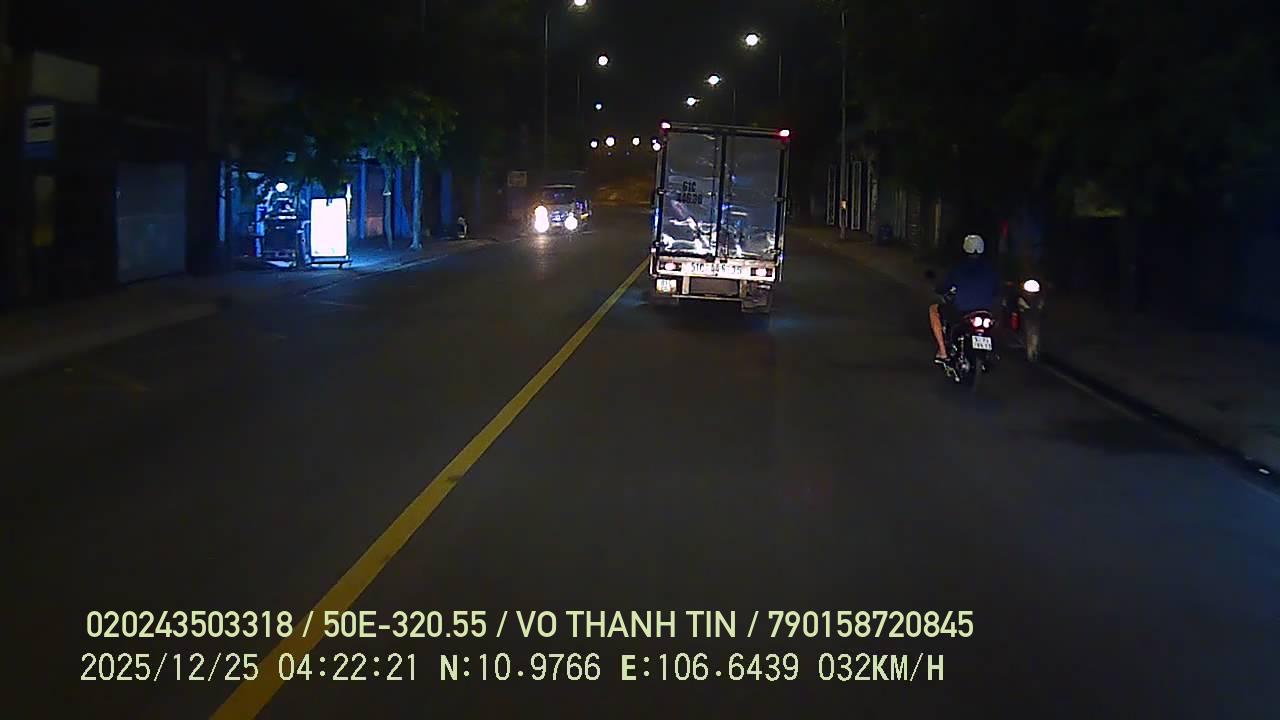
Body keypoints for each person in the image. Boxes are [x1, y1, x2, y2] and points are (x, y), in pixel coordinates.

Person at [930, 234, 1000, 361]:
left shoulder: (958, 268)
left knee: (934, 309)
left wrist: (938, 288)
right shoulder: (991, 269)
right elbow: (997, 290)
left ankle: (943, 351)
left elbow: (944, 286)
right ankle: (993, 352)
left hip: (963, 310)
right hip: (986, 311)